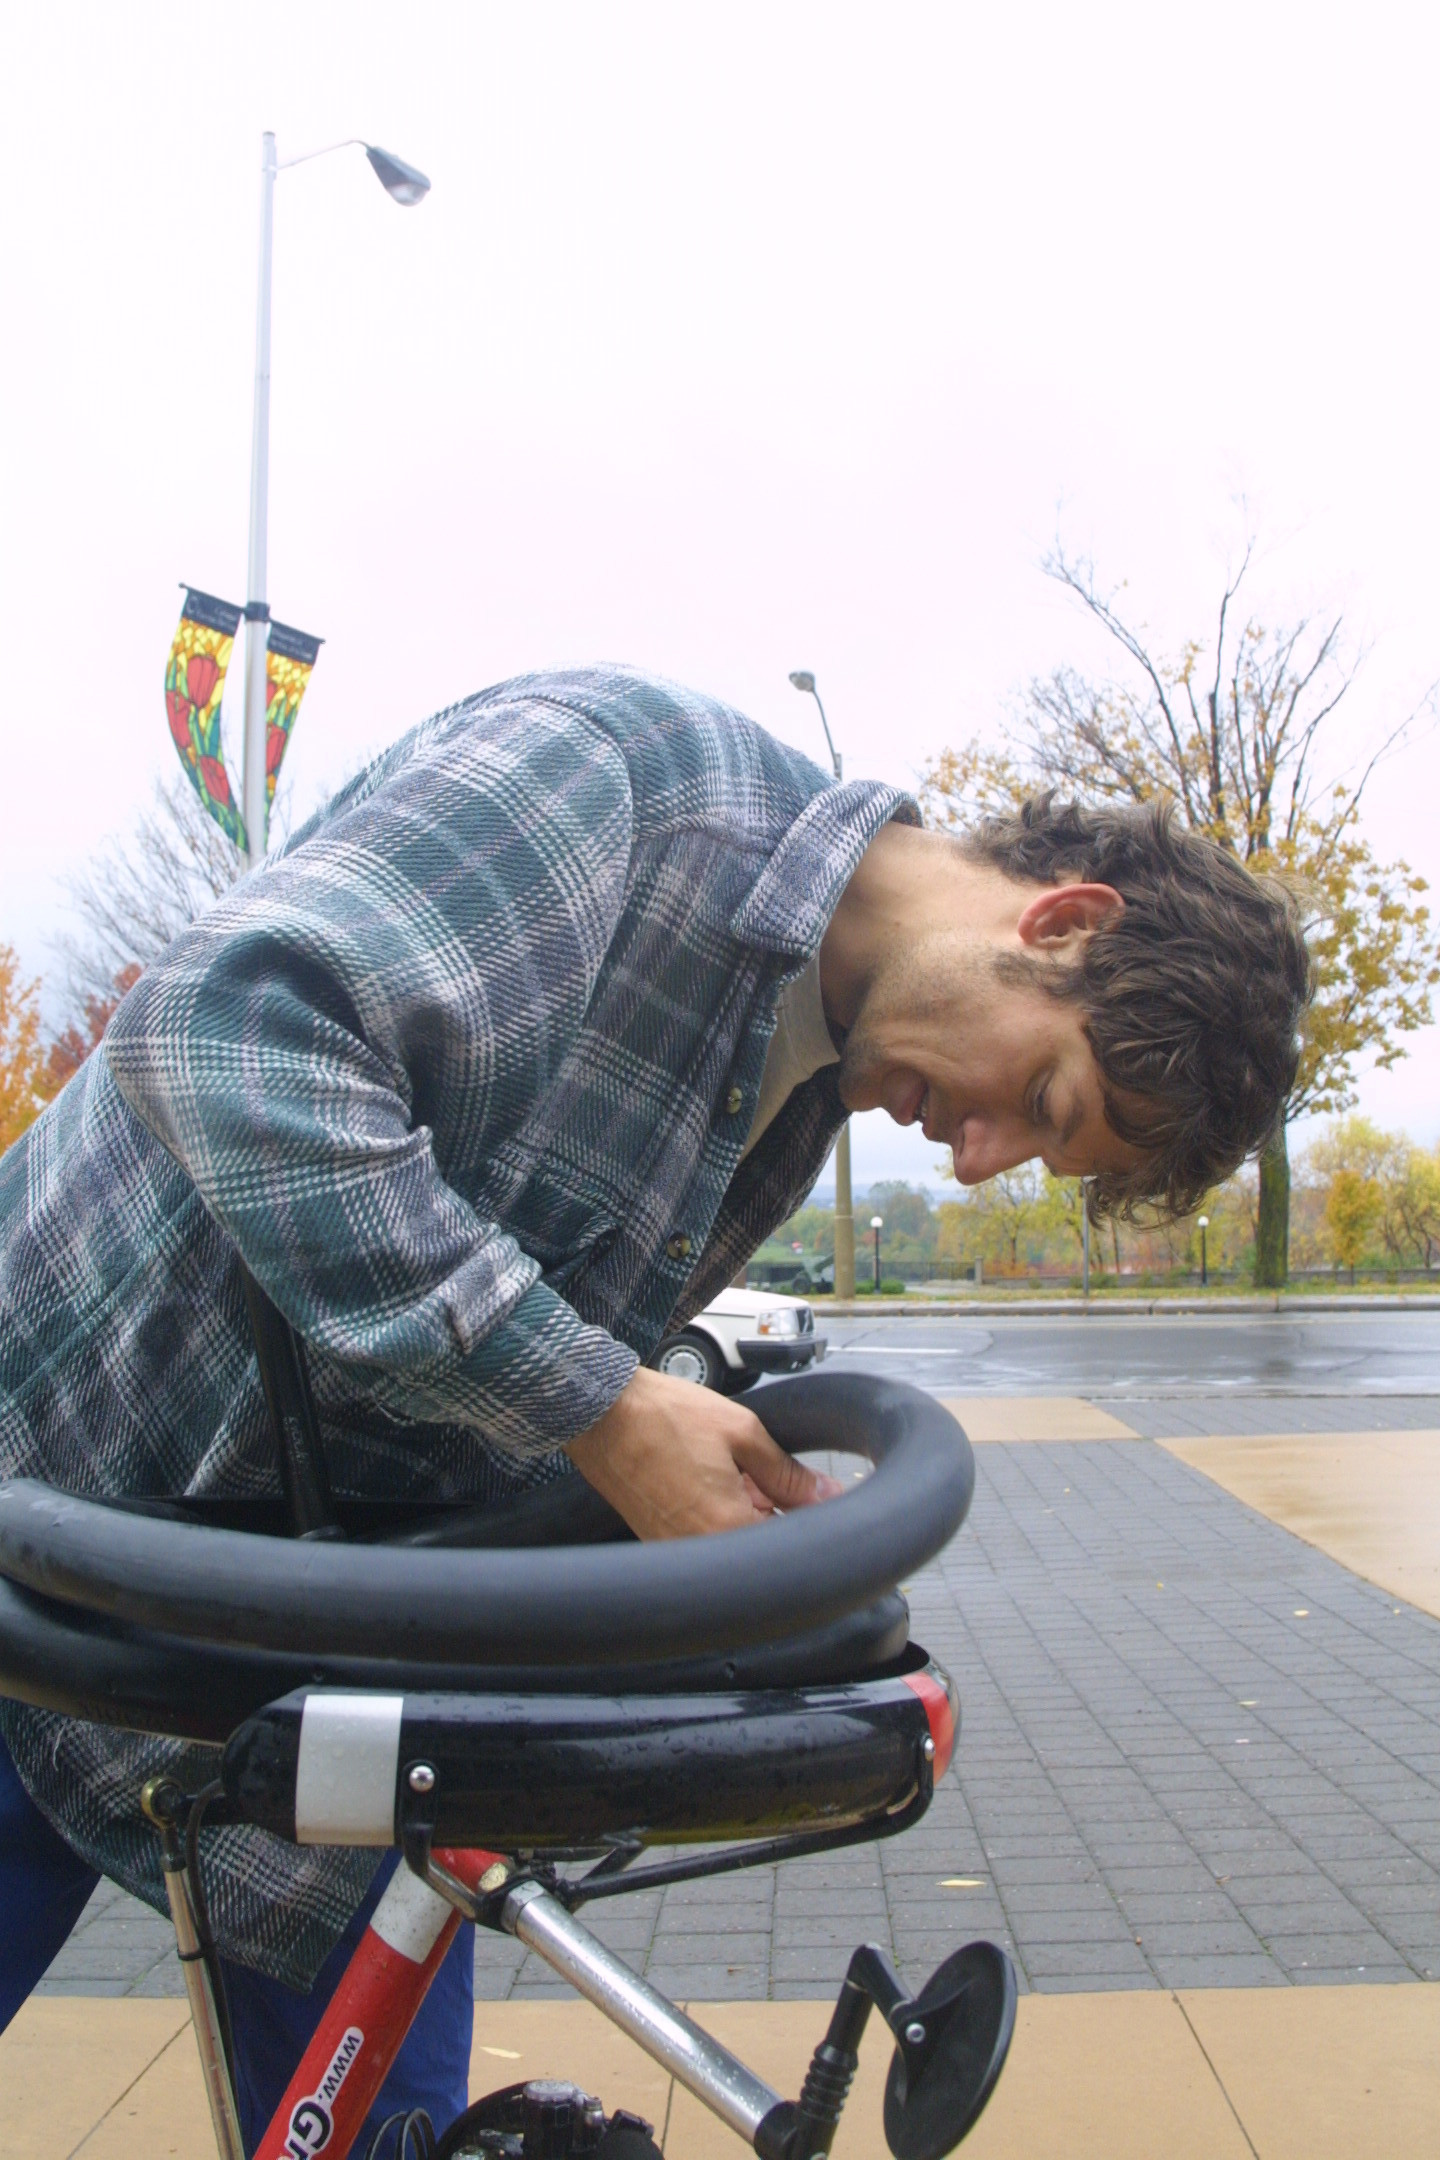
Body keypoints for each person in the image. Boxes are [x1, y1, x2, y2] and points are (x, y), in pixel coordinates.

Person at [0, 667, 1310, 2150]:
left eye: (1031, 1153)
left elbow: (525, 1307)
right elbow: (225, 1036)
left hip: (297, 1667)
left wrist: (666, 1474)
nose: (975, 1160)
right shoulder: (621, 784)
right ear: (1061, 923)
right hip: (54, 1523)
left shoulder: (815, 1071)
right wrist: (603, 1408)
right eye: (1044, 1102)